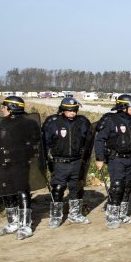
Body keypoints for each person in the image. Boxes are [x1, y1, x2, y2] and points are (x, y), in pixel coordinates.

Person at [0, 96, 43, 240]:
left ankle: (26, 224)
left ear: (11, 108)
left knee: (22, 190)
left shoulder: (28, 123)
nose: (2, 110)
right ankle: (13, 222)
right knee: (7, 191)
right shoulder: (3, 123)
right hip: (5, 163)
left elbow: (35, 144)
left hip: (20, 163)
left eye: (4, 107)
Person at [94, 94, 131, 229]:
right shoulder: (111, 119)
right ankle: (112, 215)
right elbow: (100, 140)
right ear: (123, 106)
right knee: (117, 186)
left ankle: (122, 213)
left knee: (127, 185)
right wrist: (99, 158)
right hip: (115, 158)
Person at [42, 96, 92, 227]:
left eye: (74, 110)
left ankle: (74, 214)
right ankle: (56, 216)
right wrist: (46, 160)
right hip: (59, 162)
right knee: (58, 188)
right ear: (62, 110)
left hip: (77, 161)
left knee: (76, 188)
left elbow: (89, 140)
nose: (72, 113)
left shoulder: (82, 122)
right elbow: (45, 143)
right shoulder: (53, 123)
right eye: (69, 110)